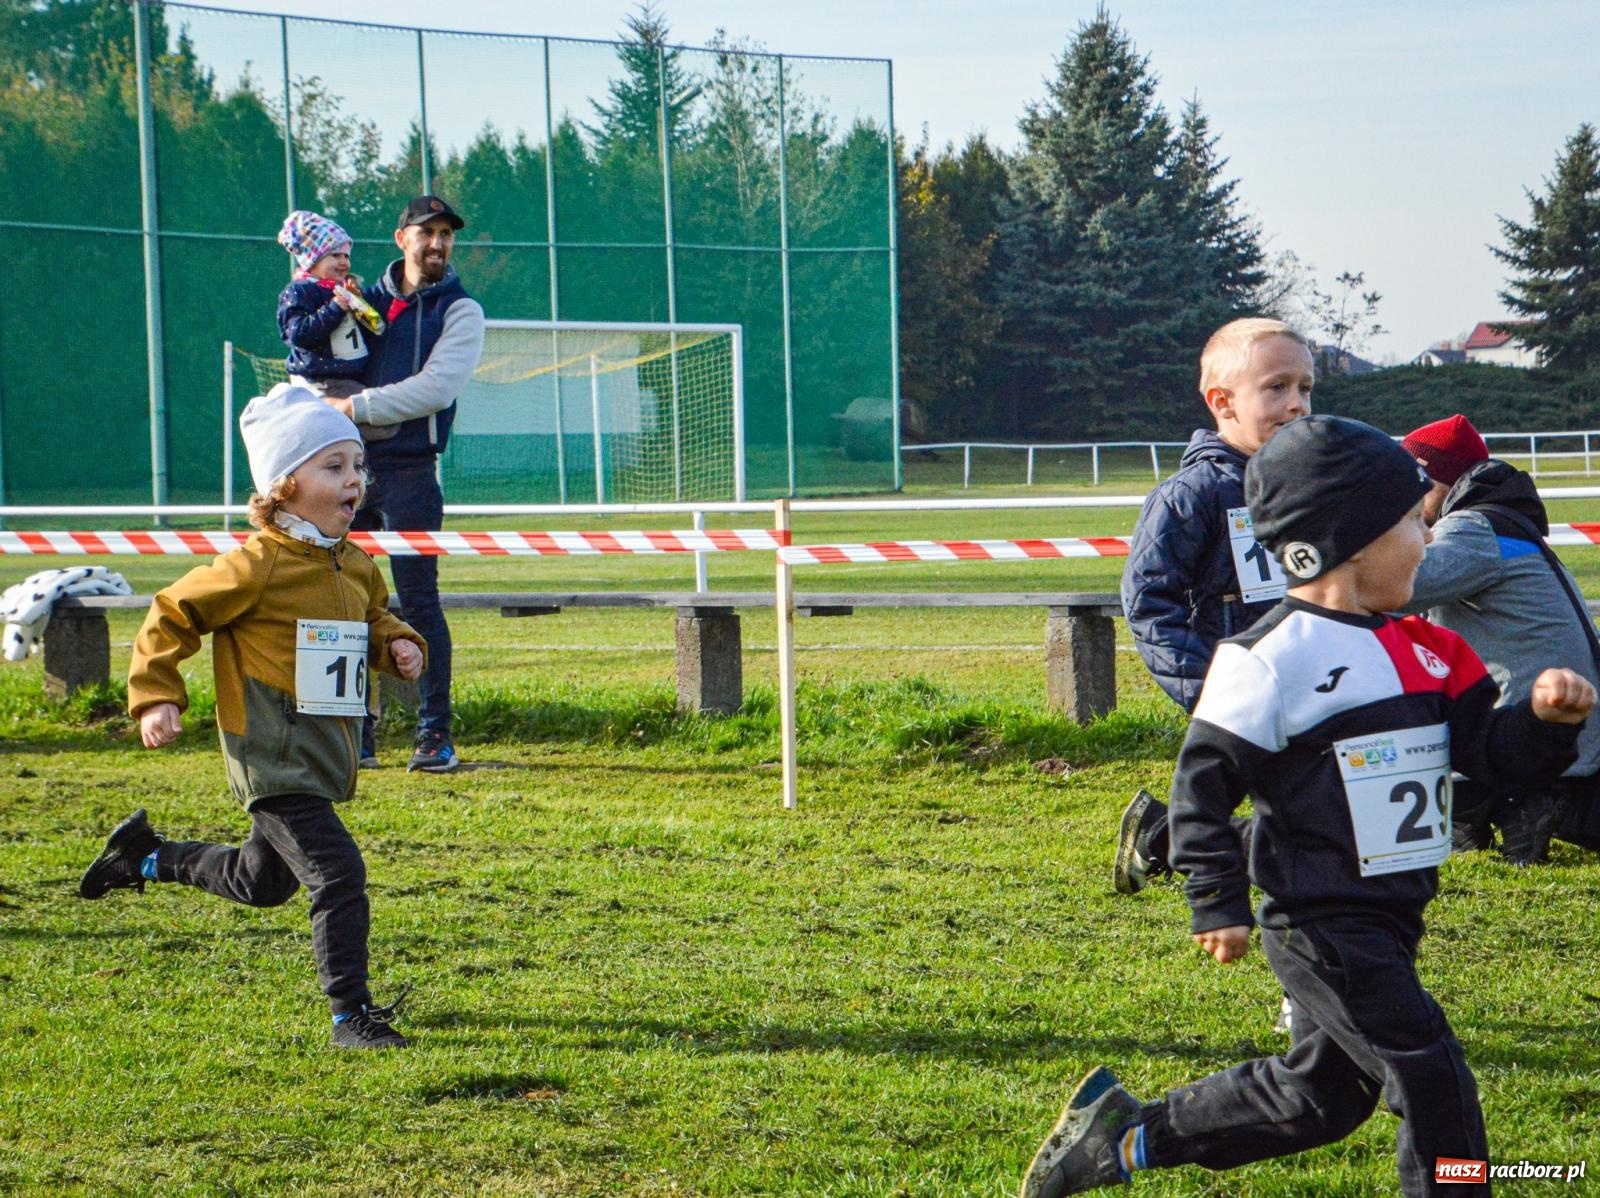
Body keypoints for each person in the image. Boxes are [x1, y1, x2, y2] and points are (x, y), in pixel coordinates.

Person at [1019, 415, 1594, 1198]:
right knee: (1432, 1077)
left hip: (1395, 914)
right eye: (1410, 525)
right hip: (1320, 922)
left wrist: (1542, 724)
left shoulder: (1433, 650)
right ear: (1351, 541)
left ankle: (1121, 1141)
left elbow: (1488, 758)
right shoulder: (1265, 659)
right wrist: (1215, 900)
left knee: (1318, 1097)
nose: (1428, 540)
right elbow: (1202, 789)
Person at [76, 384, 428, 1050]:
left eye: (358, 466)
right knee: (339, 874)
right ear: (283, 485)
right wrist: (156, 693)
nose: (354, 480)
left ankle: (144, 858)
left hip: (322, 750)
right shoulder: (255, 565)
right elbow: (174, 612)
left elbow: (373, 617)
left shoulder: (354, 563)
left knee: (261, 882)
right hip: (270, 751)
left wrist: (398, 643)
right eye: (333, 467)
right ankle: (349, 1016)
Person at [1114, 317, 1314, 896]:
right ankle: (1179, 845)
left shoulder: (1304, 483)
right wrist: (1208, 685)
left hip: (1302, 678)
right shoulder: (1192, 495)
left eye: (1305, 388)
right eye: (1276, 388)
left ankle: (1160, 834)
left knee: (1317, 805)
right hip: (1231, 686)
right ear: (1221, 401)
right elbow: (1149, 600)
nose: (1296, 404)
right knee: (1306, 816)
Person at [327, 194, 484, 773]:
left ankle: (433, 734)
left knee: (419, 605)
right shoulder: (359, 301)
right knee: (344, 604)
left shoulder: (462, 310)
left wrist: (353, 406)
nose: (438, 244)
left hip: (414, 476)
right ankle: (353, 733)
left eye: (446, 234)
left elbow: (435, 389)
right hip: (349, 475)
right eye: (427, 233)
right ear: (402, 240)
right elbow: (321, 360)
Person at [1401, 413, 1600, 862]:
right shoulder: (1502, 524)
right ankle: (1488, 811)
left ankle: (1521, 803)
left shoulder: (1472, 529)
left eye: (1413, 486)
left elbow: (1401, 589)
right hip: (1569, 724)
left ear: (1439, 481)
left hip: (1544, 732)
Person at [275, 210, 381, 401]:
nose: (344, 262)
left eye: (347, 256)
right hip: (324, 382)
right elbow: (298, 334)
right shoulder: (300, 291)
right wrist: (336, 307)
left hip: (353, 377)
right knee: (384, 427)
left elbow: (377, 326)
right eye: (335, 255)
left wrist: (361, 304)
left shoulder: (346, 289)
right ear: (312, 260)